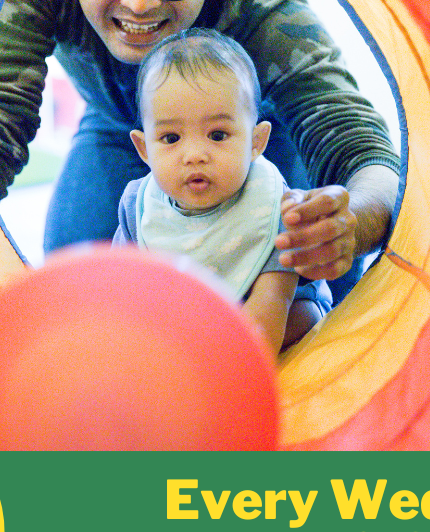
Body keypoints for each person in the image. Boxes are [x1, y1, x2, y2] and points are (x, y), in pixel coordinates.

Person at [0, 0, 400, 303]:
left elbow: (355, 141)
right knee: (72, 289)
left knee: (319, 280)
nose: (139, 2)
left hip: (247, 138)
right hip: (119, 124)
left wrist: (353, 223)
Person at [114, 30, 299, 354]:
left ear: (257, 142)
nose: (195, 154)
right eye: (171, 139)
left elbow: (273, 301)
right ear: (144, 149)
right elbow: (122, 290)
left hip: (263, 326)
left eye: (217, 134)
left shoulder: (273, 206)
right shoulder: (139, 207)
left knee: (305, 316)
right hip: (183, 327)